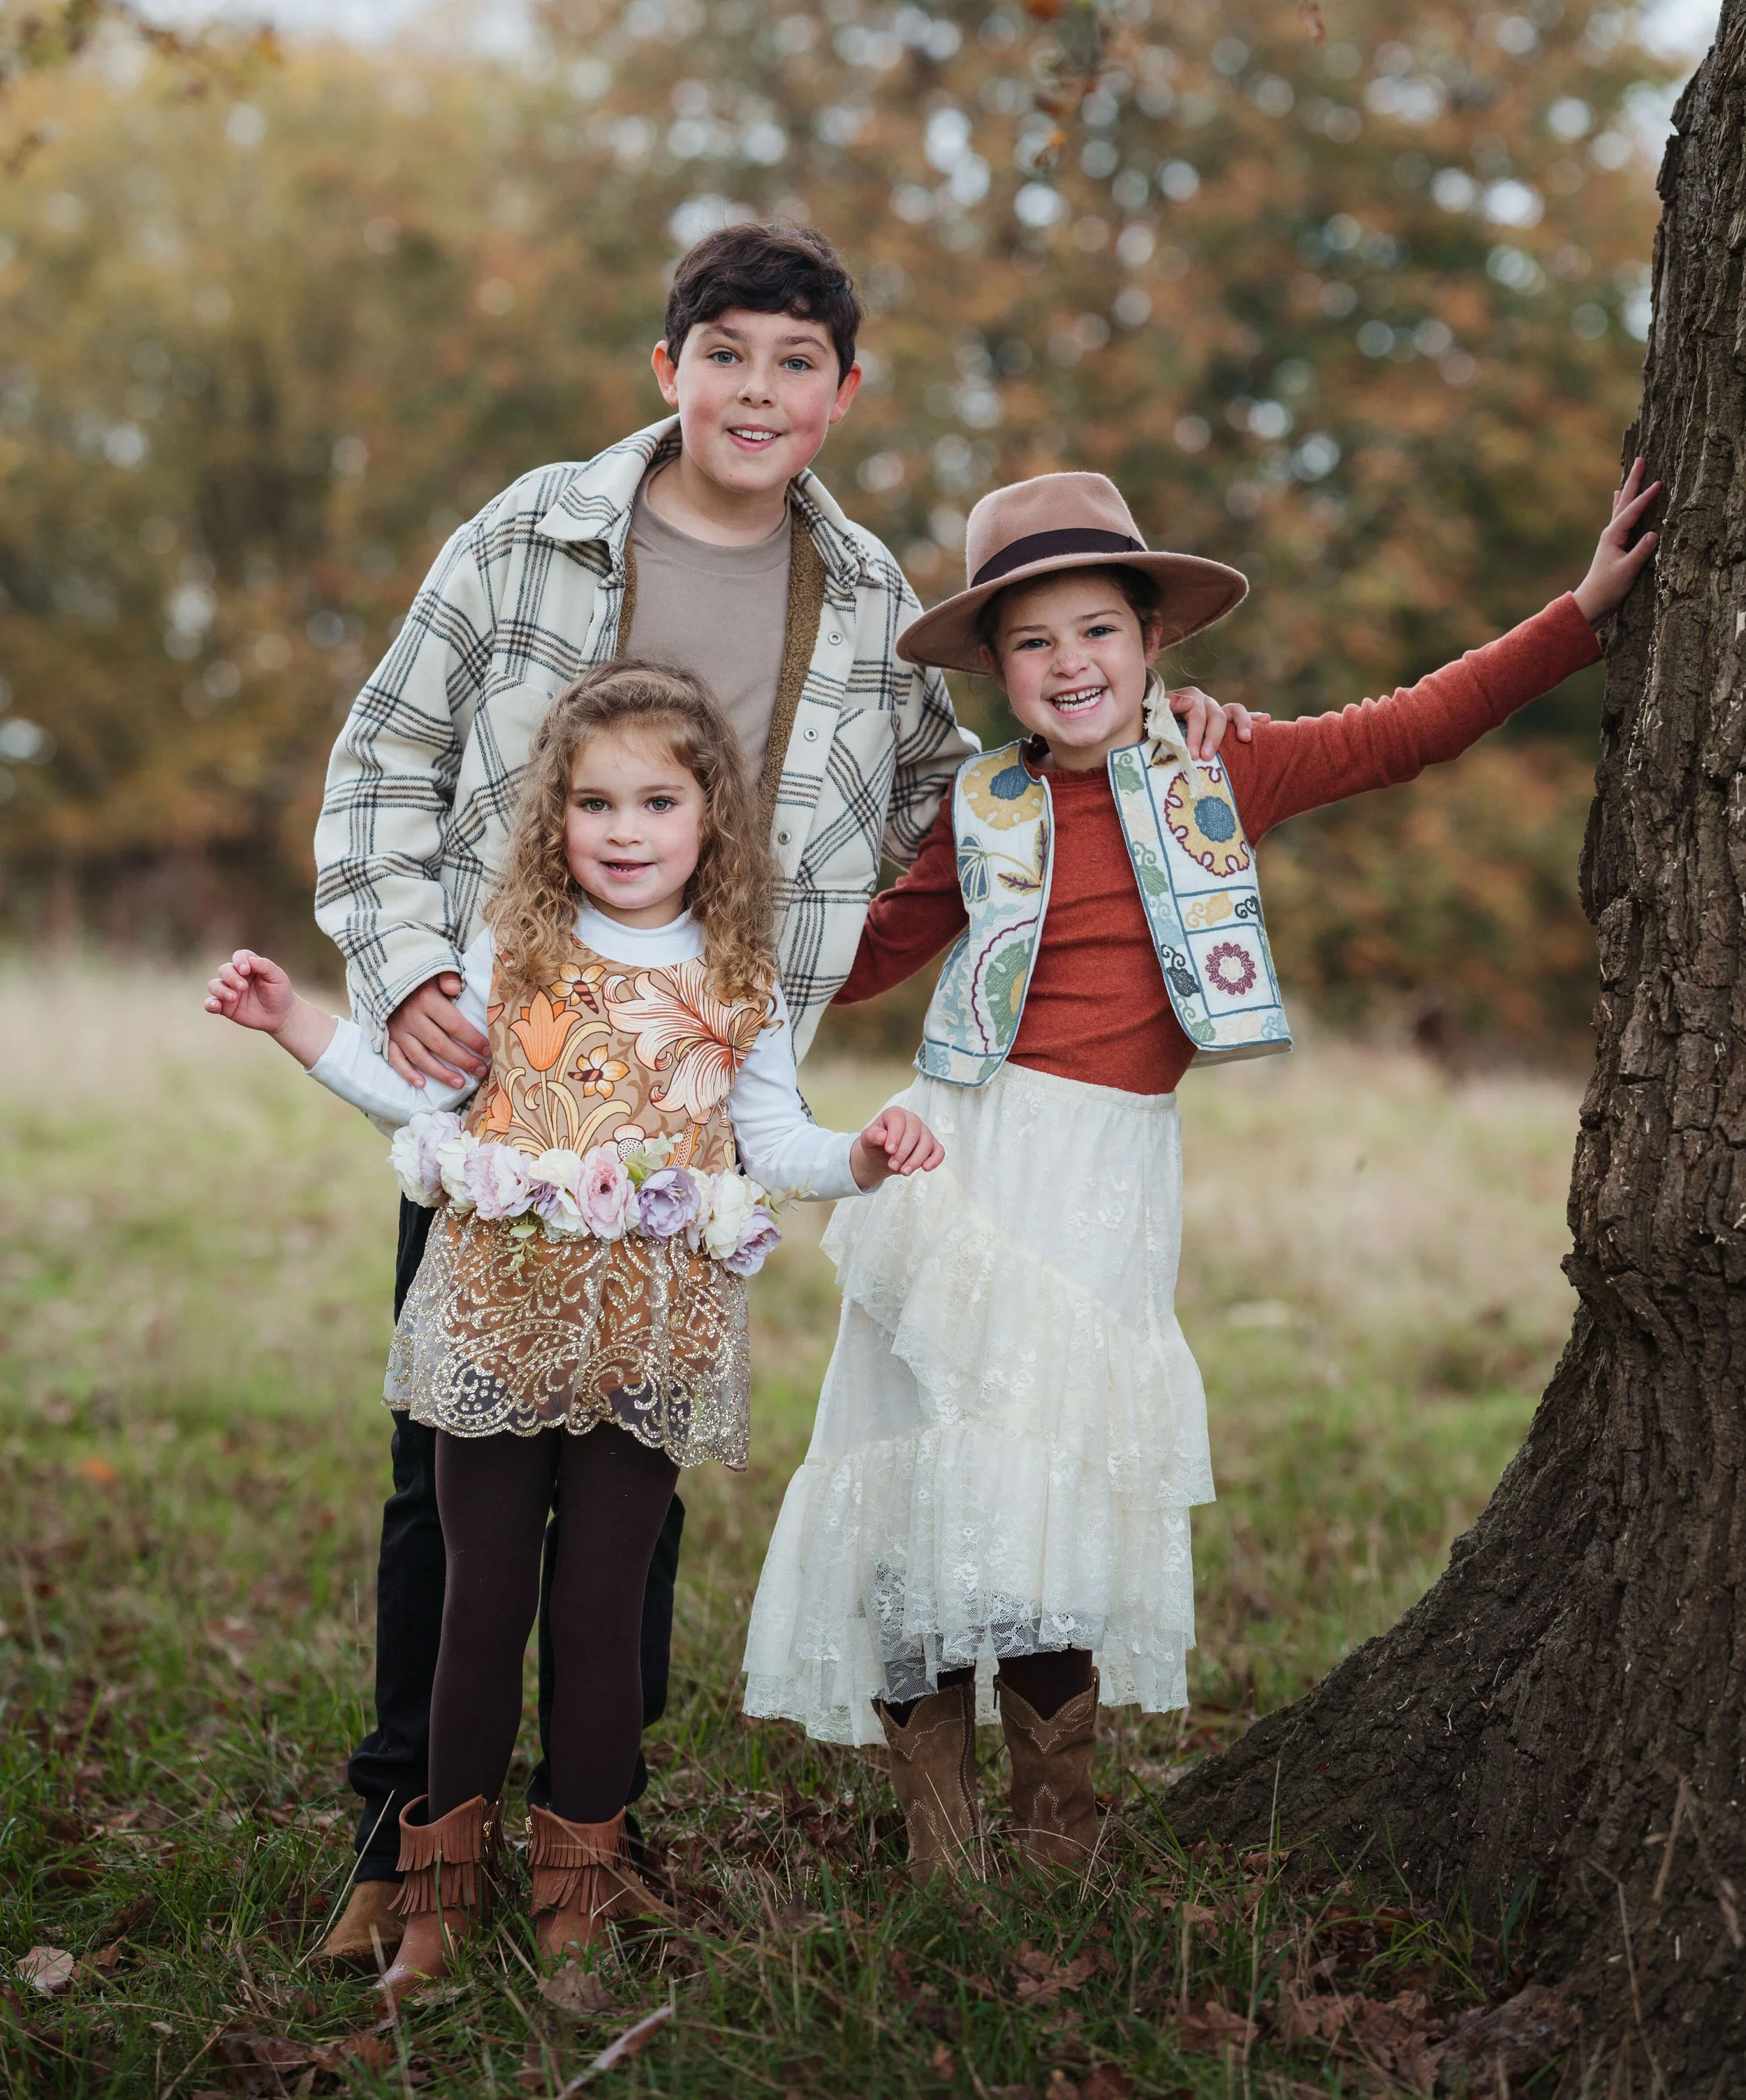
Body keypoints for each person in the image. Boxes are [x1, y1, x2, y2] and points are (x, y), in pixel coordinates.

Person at [308, 219, 1246, 1963]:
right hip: (514, 1077)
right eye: (723, 352)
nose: (755, 388)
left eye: (793, 362)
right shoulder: (531, 532)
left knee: (635, 1494)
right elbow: (386, 760)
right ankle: (397, 1833)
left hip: (704, 1098)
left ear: (839, 393)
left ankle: (602, 1823)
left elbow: (964, 797)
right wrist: (408, 970)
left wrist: (1154, 729)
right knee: (451, 1479)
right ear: (667, 371)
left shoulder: (871, 595)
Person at [743, 457, 1659, 1878]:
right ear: (991, 664)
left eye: (1097, 631)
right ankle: (939, 1839)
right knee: (916, 1483)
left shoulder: (1215, 769)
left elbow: (1404, 731)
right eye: (1032, 640)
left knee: (1044, 1496)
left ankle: (1053, 1835)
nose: (1069, 664)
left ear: (1151, 640)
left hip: (1104, 1177)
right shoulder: (981, 806)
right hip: (958, 1154)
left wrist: (1580, 613)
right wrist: (705, 909)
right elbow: (850, 960)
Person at [210, 662, 945, 1992]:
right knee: (479, 1604)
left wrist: (868, 1158)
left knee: (603, 1609)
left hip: (648, 1339)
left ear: (710, 816)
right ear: (555, 815)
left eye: (657, 800)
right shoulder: (516, 952)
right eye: (594, 801)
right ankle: (433, 1906)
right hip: (493, 1317)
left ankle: (578, 1907)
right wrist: (296, 1026)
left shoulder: (739, 975)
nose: (623, 829)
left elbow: (771, 1139)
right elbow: (414, 1098)